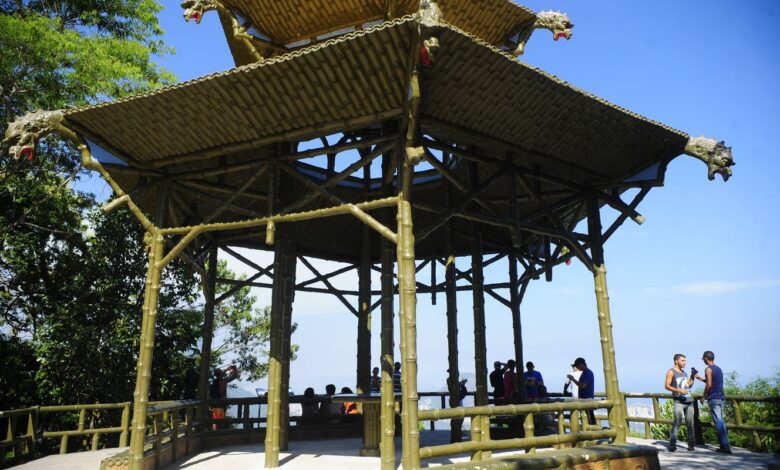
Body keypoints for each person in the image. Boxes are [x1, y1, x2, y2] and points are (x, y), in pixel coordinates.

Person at [664, 353, 696, 452]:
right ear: (676, 361)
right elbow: (666, 386)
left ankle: (691, 445)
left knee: (690, 424)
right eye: (682, 360)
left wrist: (692, 375)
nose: (684, 362)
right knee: (677, 422)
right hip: (678, 401)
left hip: (689, 401)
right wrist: (679, 391)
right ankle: (672, 445)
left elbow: (688, 385)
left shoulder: (684, 373)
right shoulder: (671, 371)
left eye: (685, 361)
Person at [702, 351, 732, 454]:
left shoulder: (708, 369)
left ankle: (725, 446)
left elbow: (709, 385)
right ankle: (725, 444)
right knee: (721, 421)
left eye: (703, 359)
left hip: (713, 398)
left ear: (706, 358)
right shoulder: (718, 369)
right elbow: (713, 382)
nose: (703, 361)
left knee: (718, 422)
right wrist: (701, 379)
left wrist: (703, 396)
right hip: (720, 397)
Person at [567, 357, 595, 425]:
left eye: (577, 365)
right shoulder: (585, 373)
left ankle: (592, 432)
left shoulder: (587, 373)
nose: (576, 367)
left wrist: (573, 379)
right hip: (585, 400)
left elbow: (583, 385)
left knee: (589, 419)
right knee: (586, 418)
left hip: (587, 400)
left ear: (581, 364)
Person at [209, 365, 238, 430]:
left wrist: (227, 369)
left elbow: (221, 374)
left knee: (215, 419)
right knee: (220, 421)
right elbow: (234, 376)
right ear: (220, 374)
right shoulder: (223, 381)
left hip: (214, 403)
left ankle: (214, 433)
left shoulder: (214, 382)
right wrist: (234, 369)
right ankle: (218, 434)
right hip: (221, 403)